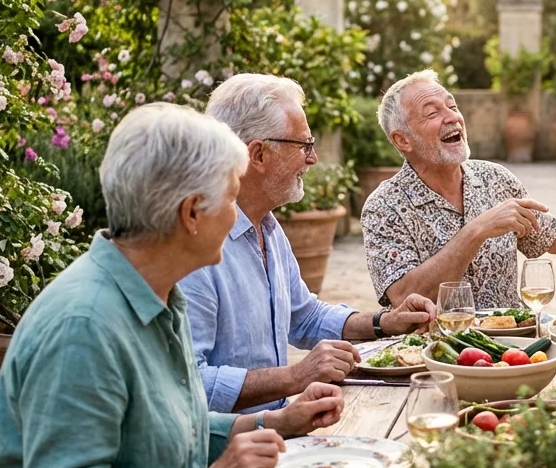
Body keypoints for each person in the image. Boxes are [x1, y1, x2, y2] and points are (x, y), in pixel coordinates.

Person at [0, 104, 348, 468]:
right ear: (191, 213)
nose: (237, 217)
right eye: (231, 198)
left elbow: (170, 426)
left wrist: (274, 421)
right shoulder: (83, 325)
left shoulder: (159, 294)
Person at [182, 74, 436, 413]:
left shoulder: (268, 228)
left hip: (276, 433)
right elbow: (189, 384)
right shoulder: (195, 249)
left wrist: (383, 323)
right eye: (304, 145)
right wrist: (295, 377)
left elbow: (305, 317)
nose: (312, 158)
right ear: (257, 154)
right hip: (227, 453)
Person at [361, 70, 556, 309]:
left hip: (512, 347)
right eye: (432, 113)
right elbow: (405, 298)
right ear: (402, 139)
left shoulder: (494, 177)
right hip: (437, 352)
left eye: (452, 106)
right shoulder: (384, 206)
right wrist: (476, 230)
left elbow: (554, 236)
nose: (452, 117)